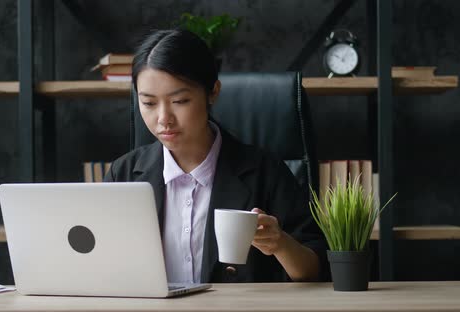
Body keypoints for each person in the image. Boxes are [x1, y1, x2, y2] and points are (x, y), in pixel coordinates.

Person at [105, 29, 327, 283]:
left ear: (213, 92)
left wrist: (281, 244)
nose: (163, 119)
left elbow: (315, 271)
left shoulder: (266, 172)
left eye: (180, 101)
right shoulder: (122, 175)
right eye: (149, 103)